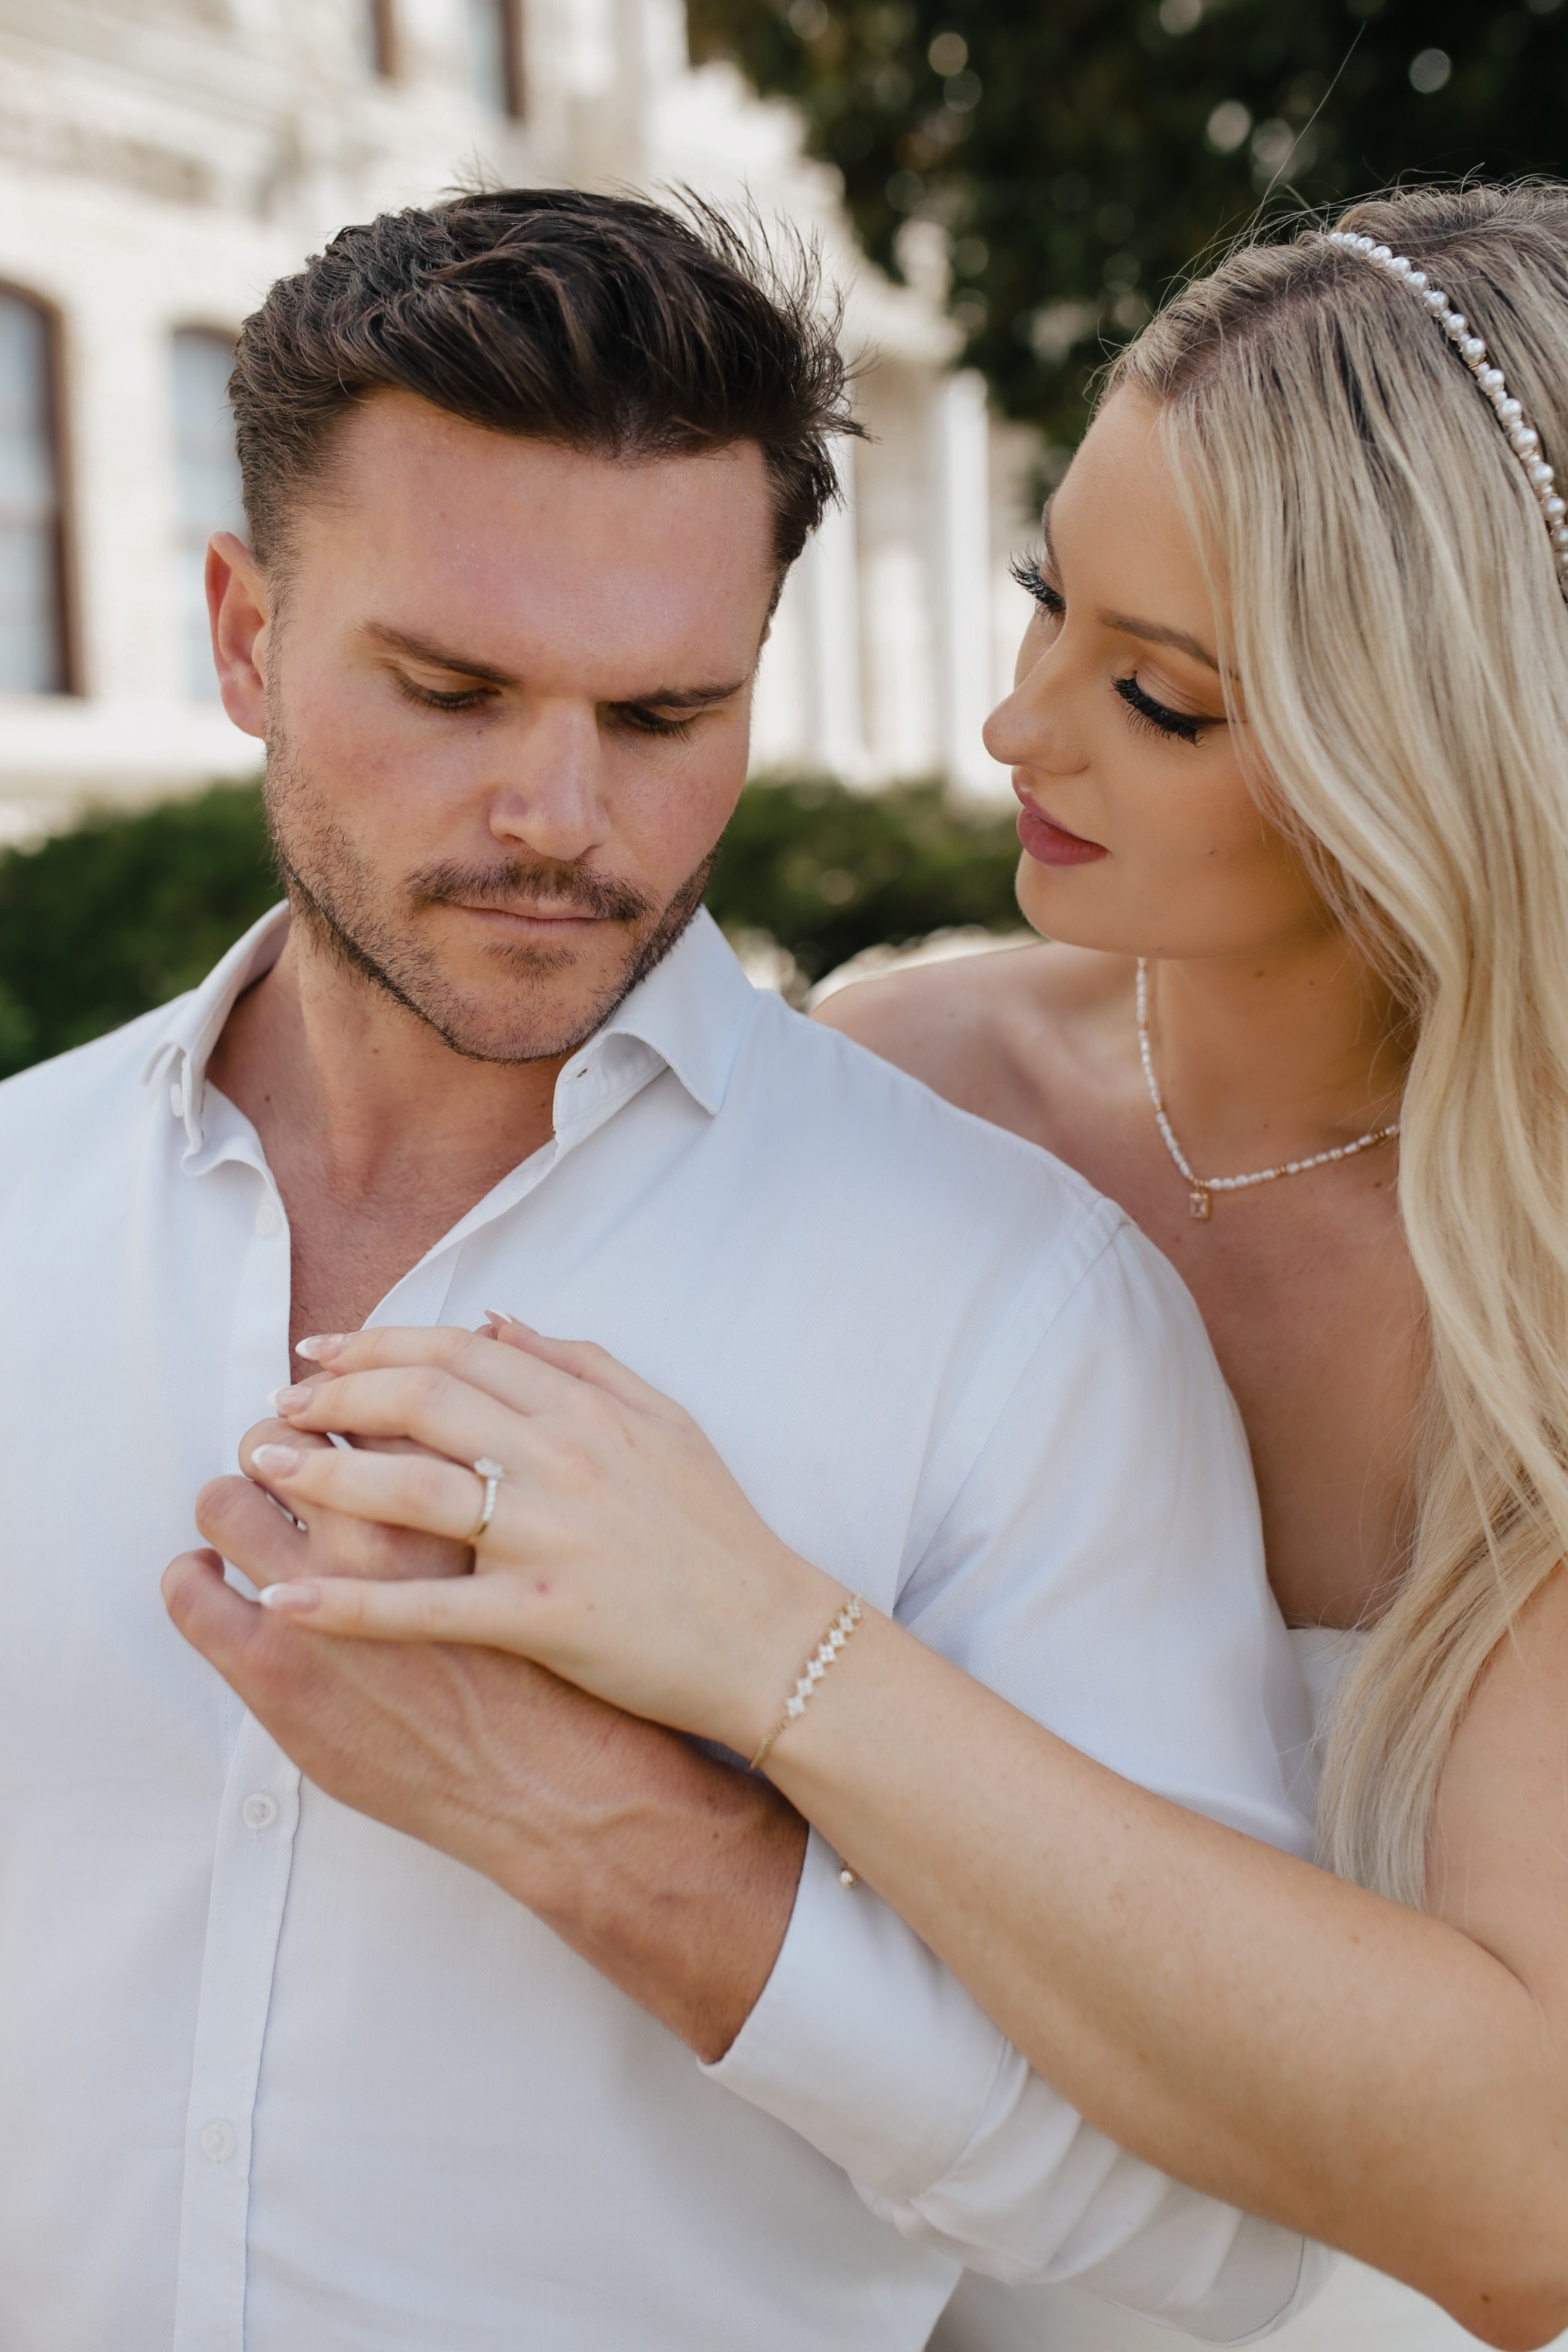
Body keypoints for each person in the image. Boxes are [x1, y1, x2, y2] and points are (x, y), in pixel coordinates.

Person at [235, 183, 1568, 2352]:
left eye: (1158, 695)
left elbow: (1529, 2207)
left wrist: (776, 1647)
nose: (1014, 732)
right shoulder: (906, 1079)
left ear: (1432, 750)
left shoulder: (1540, 1278)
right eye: (1049, 602)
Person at [0, 188, 1327, 2351]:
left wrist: (635, 1848)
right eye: (448, 688)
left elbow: (1214, 2230)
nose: (560, 816)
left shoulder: (1016, 1314)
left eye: (661, 715)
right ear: (241, 634)